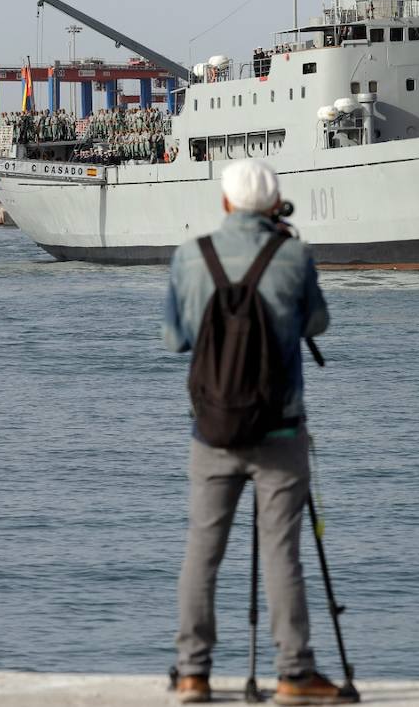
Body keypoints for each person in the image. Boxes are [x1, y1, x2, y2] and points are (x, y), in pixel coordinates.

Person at [164, 159, 349, 706]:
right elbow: (318, 324)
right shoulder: (292, 255)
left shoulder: (190, 256)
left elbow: (174, 339)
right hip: (280, 430)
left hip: (212, 431)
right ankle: (294, 673)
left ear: (224, 203)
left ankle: (193, 673)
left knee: (202, 551)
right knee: (282, 554)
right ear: (274, 205)